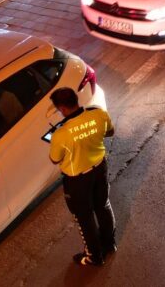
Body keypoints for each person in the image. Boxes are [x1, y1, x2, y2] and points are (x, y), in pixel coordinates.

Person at [48, 87, 116, 267]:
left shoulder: (60, 135)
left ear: (62, 108)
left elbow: (55, 159)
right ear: (75, 100)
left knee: (85, 218)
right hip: (100, 167)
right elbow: (110, 132)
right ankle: (109, 244)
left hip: (77, 181)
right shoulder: (98, 114)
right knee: (103, 205)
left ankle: (94, 256)